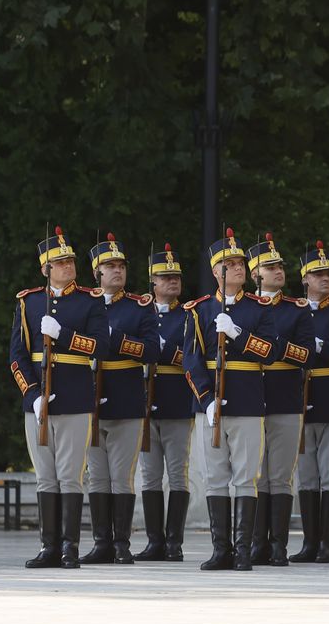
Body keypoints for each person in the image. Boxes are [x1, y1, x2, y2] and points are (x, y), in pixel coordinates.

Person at [182, 228, 278, 571]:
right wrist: (206, 399)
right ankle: (220, 549)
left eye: (240, 263)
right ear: (216, 272)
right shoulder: (199, 311)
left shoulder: (260, 309)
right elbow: (190, 360)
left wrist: (238, 334)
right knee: (215, 477)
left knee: (246, 477)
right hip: (210, 407)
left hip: (248, 402)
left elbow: (269, 352)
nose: (238, 268)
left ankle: (242, 550)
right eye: (230, 264)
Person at [12, 227, 108, 569]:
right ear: (45, 269)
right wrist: (33, 396)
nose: (68, 266)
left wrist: (63, 335)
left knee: (70, 475)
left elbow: (101, 346)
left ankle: (70, 547)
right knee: (45, 476)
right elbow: (17, 356)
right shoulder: (29, 302)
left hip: (74, 398)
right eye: (60, 262)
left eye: (70, 260)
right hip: (38, 404)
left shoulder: (89, 300)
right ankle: (48, 547)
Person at [82, 233, 159, 565]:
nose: (117, 271)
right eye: (109, 266)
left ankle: (121, 544)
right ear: (96, 272)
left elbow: (153, 350)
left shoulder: (138, 307)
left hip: (125, 397)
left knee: (121, 475)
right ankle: (101, 542)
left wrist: (117, 340)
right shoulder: (84, 305)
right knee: (96, 475)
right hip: (88, 398)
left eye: (121, 266)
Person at [247, 233, 315, 567]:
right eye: (270, 267)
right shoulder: (246, 308)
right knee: (256, 474)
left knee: (281, 476)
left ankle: (278, 545)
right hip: (250, 400)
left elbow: (306, 355)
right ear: (254, 273)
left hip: (285, 399)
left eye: (279, 266)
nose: (278, 271)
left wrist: (275, 346)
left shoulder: (296, 310)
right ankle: (257, 542)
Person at [291, 240, 329, 564]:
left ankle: (327, 545)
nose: (325, 278)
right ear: (305, 279)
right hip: (302, 400)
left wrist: (324, 348)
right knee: (307, 476)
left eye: (328, 273)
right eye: (317, 274)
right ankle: (308, 543)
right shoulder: (294, 312)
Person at [134, 243, 195, 562]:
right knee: (150, 475)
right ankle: (154, 541)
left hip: (176, 403)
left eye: (176, 276)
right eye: (165, 276)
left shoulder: (188, 316)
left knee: (177, 473)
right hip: (144, 404)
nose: (172, 281)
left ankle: (174, 542)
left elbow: (196, 358)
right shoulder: (141, 313)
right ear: (152, 282)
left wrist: (167, 352)